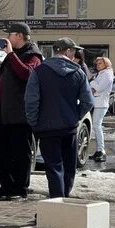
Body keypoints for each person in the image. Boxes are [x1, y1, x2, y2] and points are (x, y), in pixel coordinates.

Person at [25, 37, 93, 199]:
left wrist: (34, 122)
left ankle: (56, 204)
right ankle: (64, 202)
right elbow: (88, 101)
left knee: (54, 167)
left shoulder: (40, 71)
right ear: (67, 51)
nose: (75, 54)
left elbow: (31, 100)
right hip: (69, 127)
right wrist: (75, 115)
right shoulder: (78, 72)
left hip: (46, 128)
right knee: (69, 168)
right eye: (74, 51)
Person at [0, 22, 43, 200]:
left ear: (19, 36)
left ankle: (19, 188)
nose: (7, 38)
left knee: (21, 152)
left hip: (21, 113)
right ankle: (6, 185)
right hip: (6, 111)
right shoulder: (15, 54)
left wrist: (10, 53)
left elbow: (27, 74)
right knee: (4, 151)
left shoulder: (33, 55)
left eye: (10, 34)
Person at [89, 56, 114, 162]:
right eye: (97, 63)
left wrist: (92, 82)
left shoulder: (107, 74)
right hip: (98, 102)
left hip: (101, 103)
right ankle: (99, 150)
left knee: (97, 126)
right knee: (96, 126)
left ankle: (101, 150)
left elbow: (99, 88)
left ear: (106, 64)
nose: (98, 65)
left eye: (100, 63)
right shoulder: (102, 73)